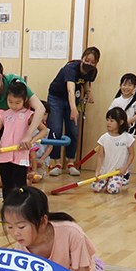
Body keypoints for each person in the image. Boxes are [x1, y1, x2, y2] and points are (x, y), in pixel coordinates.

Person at [0, 59, 46, 212]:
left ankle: (22, 203)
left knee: (18, 173)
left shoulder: (15, 83)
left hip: (18, 126)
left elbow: (40, 108)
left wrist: (29, 136)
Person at [46, 47, 101, 177]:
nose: (89, 64)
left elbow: (86, 81)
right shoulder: (70, 69)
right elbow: (70, 90)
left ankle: (71, 163)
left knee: (73, 131)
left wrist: (88, 93)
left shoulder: (92, 72)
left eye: (93, 62)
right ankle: (57, 163)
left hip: (74, 99)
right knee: (56, 130)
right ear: (82, 59)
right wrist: (73, 109)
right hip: (56, 98)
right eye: (87, 60)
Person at [0, 80, 45, 197]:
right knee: (7, 185)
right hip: (4, 154)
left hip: (20, 155)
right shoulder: (4, 114)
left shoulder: (29, 115)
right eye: (10, 102)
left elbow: (44, 130)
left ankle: (22, 209)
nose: (13, 106)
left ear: (25, 100)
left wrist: (31, 141)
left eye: (17, 102)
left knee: (20, 185)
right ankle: (7, 208)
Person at [109, 73, 136, 184]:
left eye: (130, 85)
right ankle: (114, 173)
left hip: (130, 133)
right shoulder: (117, 101)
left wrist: (127, 122)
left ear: (135, 87)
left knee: (128, 153)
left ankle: (126, 174)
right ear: (120, 86)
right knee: (117, 152)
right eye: (124, 84)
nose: (126, 87)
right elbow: (111, 114)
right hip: (117, 133)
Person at [91, 107, 135, 194]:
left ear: (121, 122)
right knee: (95, 188)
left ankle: (112, 182)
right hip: (104, 171)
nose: (108, 123)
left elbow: (132, 154)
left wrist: (125, 168)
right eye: (107, 120)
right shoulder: (103, 138)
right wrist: (97, 171)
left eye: (112, 121)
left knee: (112, 190)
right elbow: (100, 156)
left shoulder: (127, 138)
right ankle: (106, 181)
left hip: (117, 172)